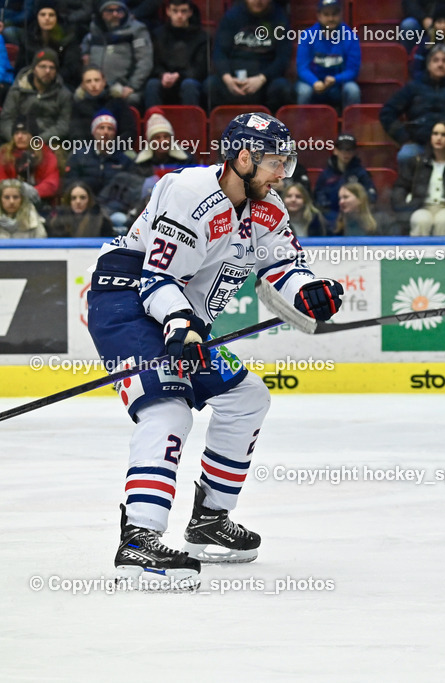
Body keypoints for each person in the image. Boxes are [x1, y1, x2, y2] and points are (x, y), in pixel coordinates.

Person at [86, 113, 346, 589]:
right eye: (275, 162)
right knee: (167, 410)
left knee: (247, 397)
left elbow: (284, 266)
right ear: (243, 158)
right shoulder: (187, 192)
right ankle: (140, 538)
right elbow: (157, 279)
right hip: (127, 301)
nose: (282, 174)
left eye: (286, 163)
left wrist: (308, 291)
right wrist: (180, 324)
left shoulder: (268, 208)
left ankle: (209, 518)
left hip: (182, 319)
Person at [380, 44, 445, 164]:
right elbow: (387, 113)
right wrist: (403, 137)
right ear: (428, 65)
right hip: (419, 144)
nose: (440, 64)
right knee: (405, 156)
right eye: (435, 60)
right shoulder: (413, 88)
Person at [391, 120, 445, 236]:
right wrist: (404, 206)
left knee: (444, 220)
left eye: (443, 135)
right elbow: (400, 187)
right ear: (430, 137)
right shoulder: (417, 163)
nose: (439, 138)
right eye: (435, 134)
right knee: (421, 220)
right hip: (421, 207)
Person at [208, 0, 293, 112]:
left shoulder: (279, 19)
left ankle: (272, 123)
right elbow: (220, 52)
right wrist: (227, 79)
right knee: (210, 86)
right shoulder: (232, 17)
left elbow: (283, 57)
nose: (258, 1)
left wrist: (262, 79)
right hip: (233, 79)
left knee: (282, 87)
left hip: (264, 81)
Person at [80, 0, 154, 108]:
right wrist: (85, 55)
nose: (115, 14)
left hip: (123, 87)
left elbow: (145, 61)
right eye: (110, 11)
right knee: (78, 98)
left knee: (131, 99)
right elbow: (85, 46)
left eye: (119, 10)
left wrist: (132, 86)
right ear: (101, 13)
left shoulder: (137, 30)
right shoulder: (94, 29)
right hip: (96, 86)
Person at [295, 0, 360, 111]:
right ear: (319, 16)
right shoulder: (308, 35)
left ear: (341, 14)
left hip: (338, 84)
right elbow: (302, 68)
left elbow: (352, 70)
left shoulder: (350, 36)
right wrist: (314, 82)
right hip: (313, 83)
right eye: (326, 14)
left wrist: (336, 79)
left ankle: (351, 121)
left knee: (353, 90)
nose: (331, 18)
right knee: (304, 91)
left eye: (334, 14)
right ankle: (303, 121)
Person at [144, 0, 209, 109]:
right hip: (164, 78)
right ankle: (154, 119)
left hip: (189, 78)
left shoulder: (201, 37)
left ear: (190, 13)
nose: (179, 15)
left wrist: (179, 75)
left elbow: (200, 68)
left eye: (183, 11)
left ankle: (192, 120)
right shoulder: (157, 34)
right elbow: (154, 63)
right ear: (168, 11)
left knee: (189, 85)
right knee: (152, 84)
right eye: (175, 11)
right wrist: (162, 75)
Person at [0, 48, 72, 142]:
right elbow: (6, 119)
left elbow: (63, 126)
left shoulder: (64, 94)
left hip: (49, 143)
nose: (47, 71)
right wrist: (15, 138)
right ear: (34, 69)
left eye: (52, 68)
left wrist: (37, 141)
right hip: (17, 139)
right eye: (42, 66)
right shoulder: (18, 90)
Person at [313, 134, 377, 224]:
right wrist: (325, 208)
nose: (346, 153)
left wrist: (360, 206)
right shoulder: (326, 174)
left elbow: (371, 195)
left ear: (354, 152)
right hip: (330, 216)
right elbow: (318, 195)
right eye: (342, 149)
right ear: (335, 151)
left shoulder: (361, 173)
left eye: (349, 150)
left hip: (356, 216)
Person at [18, 2, 81, 90]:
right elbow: (21, 66)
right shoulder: (28, 38)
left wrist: (50, 77)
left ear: (57, 17)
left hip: (61, 83)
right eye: (43, 15)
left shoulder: (68, 37)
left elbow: (72, 68)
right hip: (33, 82)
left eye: (51, 15)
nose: (47, 18)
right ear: (37, 17)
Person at [70, 66, 138, 144]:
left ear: (104, 82)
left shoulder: (118, 103)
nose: (93, 84)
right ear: (83, 85)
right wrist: (95, 148)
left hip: (117, 148)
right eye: (88, 81)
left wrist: (111, 147)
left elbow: (129, 132)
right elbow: (76, 134)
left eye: (97, 80)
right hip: (87, 149)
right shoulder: (78, 106)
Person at [0, 118, 61, 205]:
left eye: (24, 133)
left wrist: (34, 191)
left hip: (39, 202)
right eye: (16, 133)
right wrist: (16, 192)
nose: (19, 136)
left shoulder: (46, 154)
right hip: (9, 202)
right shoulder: (4, 155)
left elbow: (52, 184)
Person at [46, 181, 116, 237]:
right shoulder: (56, 220)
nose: (78, 202)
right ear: (68, 201)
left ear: (89, 200)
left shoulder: (102, 220)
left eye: (83, 198)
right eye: (73, 198)